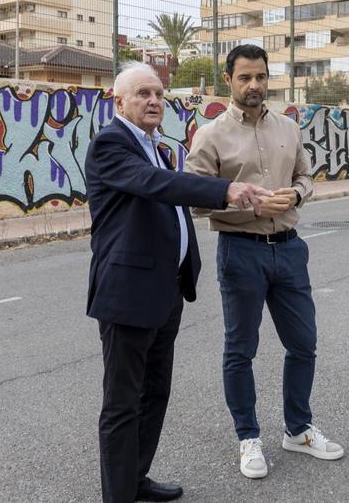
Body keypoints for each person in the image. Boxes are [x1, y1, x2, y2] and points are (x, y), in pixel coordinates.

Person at [85, 63, 271, 503]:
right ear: (120, 102)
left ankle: (136, 478)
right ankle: (119, 496)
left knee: (155, 394)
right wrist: (222, 190)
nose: (154, 101)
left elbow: (168, 195)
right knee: (122, 402)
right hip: (127, 293)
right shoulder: (111, 144)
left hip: (165, 290)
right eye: (143, 94)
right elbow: (154, 185)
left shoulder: (155, 146)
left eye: (159, 94)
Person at [185, 44, 344, 481]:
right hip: (241, 251)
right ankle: (248, 436)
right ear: (228, 80)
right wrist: (249, 208)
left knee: (303, 343)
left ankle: (298, 429)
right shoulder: (211, 135)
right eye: (244, 78)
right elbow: (195, 201)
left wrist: (296, 195)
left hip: (290, 250)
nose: (254, 85)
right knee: (241, 349)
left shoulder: (289, 129)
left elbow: (306, 177)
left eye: (260, 77)